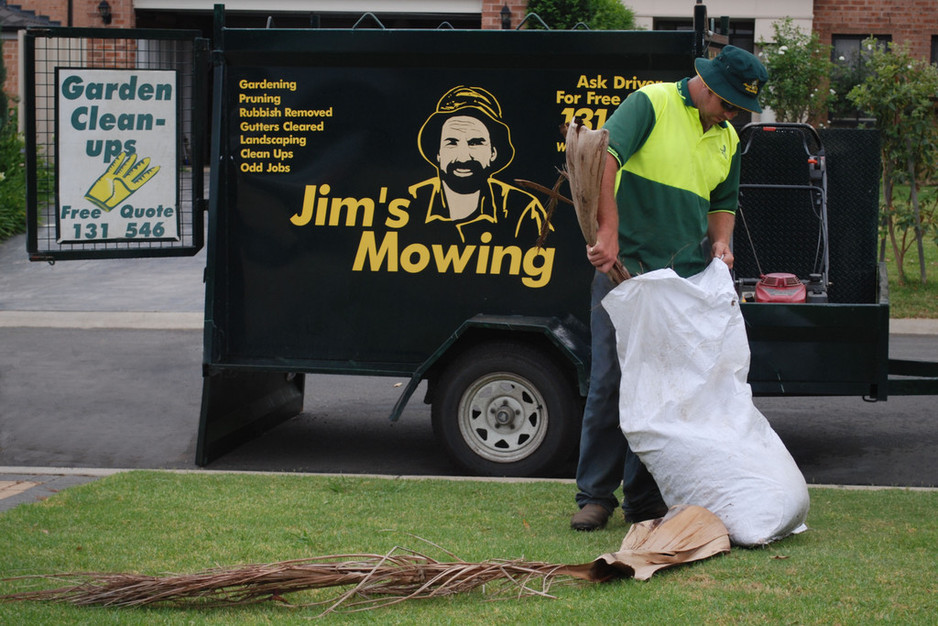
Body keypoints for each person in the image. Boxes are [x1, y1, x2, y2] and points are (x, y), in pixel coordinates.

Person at [571, 45, 769, 531]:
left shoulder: (725, 138)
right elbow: (603, 160)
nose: (732, 114)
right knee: (611, 383)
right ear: (707, 83)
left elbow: (724, 200)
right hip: (626, 273)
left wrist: (721, 244)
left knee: (664, 393)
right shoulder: (652, 102)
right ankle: (594, 496)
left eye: (739, 109)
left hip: (679, 286)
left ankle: (644, 502)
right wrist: (609, 232)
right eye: (727, 103)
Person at [410, 85, 547, 243]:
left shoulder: (523, 210)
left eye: (475, 143)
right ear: (438, 153)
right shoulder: (408, 204)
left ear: (493, 153)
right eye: (452, 143)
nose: (463, 157)